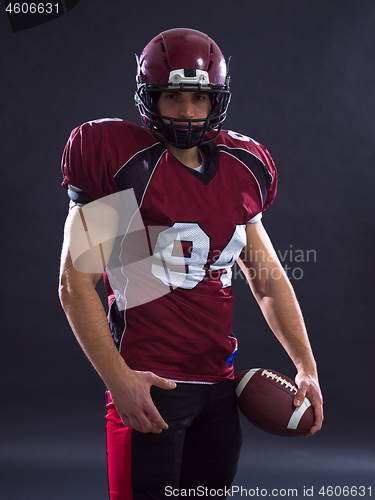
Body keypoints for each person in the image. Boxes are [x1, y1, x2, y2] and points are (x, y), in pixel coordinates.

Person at [58, 28, 323, 499]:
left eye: (198, 99)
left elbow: (266, 280)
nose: (186, 111)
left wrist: (306, 366)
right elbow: (76, 284)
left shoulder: (242, 169)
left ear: (216, 100)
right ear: (149, 98)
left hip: (219, 389)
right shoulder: (125, 164)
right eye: (173, 97)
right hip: (150, 384)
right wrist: (118, 380)